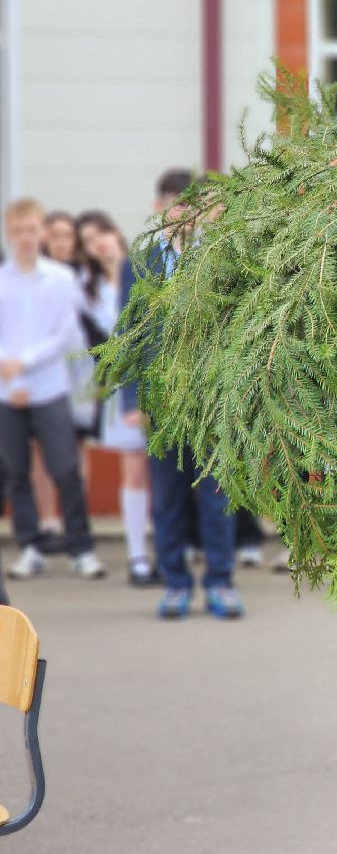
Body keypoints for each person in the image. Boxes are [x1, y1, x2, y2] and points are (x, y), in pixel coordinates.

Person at [124, 169, 242, 619]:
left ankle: (220, 582)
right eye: (175, 204)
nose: (182, 214)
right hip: (160, 405)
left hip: (210, 402)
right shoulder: (139, 263)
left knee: (216, 497)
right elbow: (127, 336)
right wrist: (132, 401)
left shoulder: (218, 258)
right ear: (161, 208)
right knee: (167, 500)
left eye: (190, 205)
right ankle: (174, 582)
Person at [1, 198, 105, 580]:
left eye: (32, 230)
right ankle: (30, 546)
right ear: (9, 234)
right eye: (18, 231)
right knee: (17, 472)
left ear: (41, 232)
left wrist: (24, 364)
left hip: (50, 388)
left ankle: (81, 547)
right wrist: (12, 377)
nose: (25, 238)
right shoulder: (2, 280)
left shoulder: (62, 280)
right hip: (7, 393)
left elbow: (64, 333)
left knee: (65, 468)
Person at [75, 211, 160, 585]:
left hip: (160, 380)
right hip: (122, 385)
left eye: (101, 233)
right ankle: (138, 556)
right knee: (134, 469)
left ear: (114, 232)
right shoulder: (88, 290)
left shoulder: (146, 267)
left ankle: (174, 548)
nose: (98, 243)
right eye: (88, 241)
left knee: (167, 470)